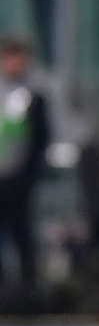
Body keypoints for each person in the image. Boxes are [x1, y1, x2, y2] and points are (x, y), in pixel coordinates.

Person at [0, 36, 50, 294]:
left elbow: (41, 138)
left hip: (19, 180)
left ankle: (27, 290)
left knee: (22, 232)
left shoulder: (33, 93)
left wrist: (29, 175)